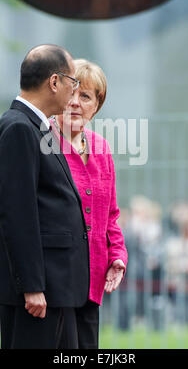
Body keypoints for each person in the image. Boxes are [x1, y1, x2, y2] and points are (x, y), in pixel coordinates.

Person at [0, 44, 91, 349]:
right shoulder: (19, 128)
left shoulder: (37, 128)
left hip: (54, 287)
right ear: (54, 82)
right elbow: (17, 213)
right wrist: (31, 286)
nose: (74, 93)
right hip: (37, 294)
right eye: (73, 83)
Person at [50, 59, 128, 348]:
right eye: (71, 94)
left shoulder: (101, 148)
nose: (75, 103)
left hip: (92, 282)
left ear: (97, 105)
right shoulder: (41, 141)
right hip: (53, 284)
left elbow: (110, 215)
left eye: (85, 96)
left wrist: (117, 256)